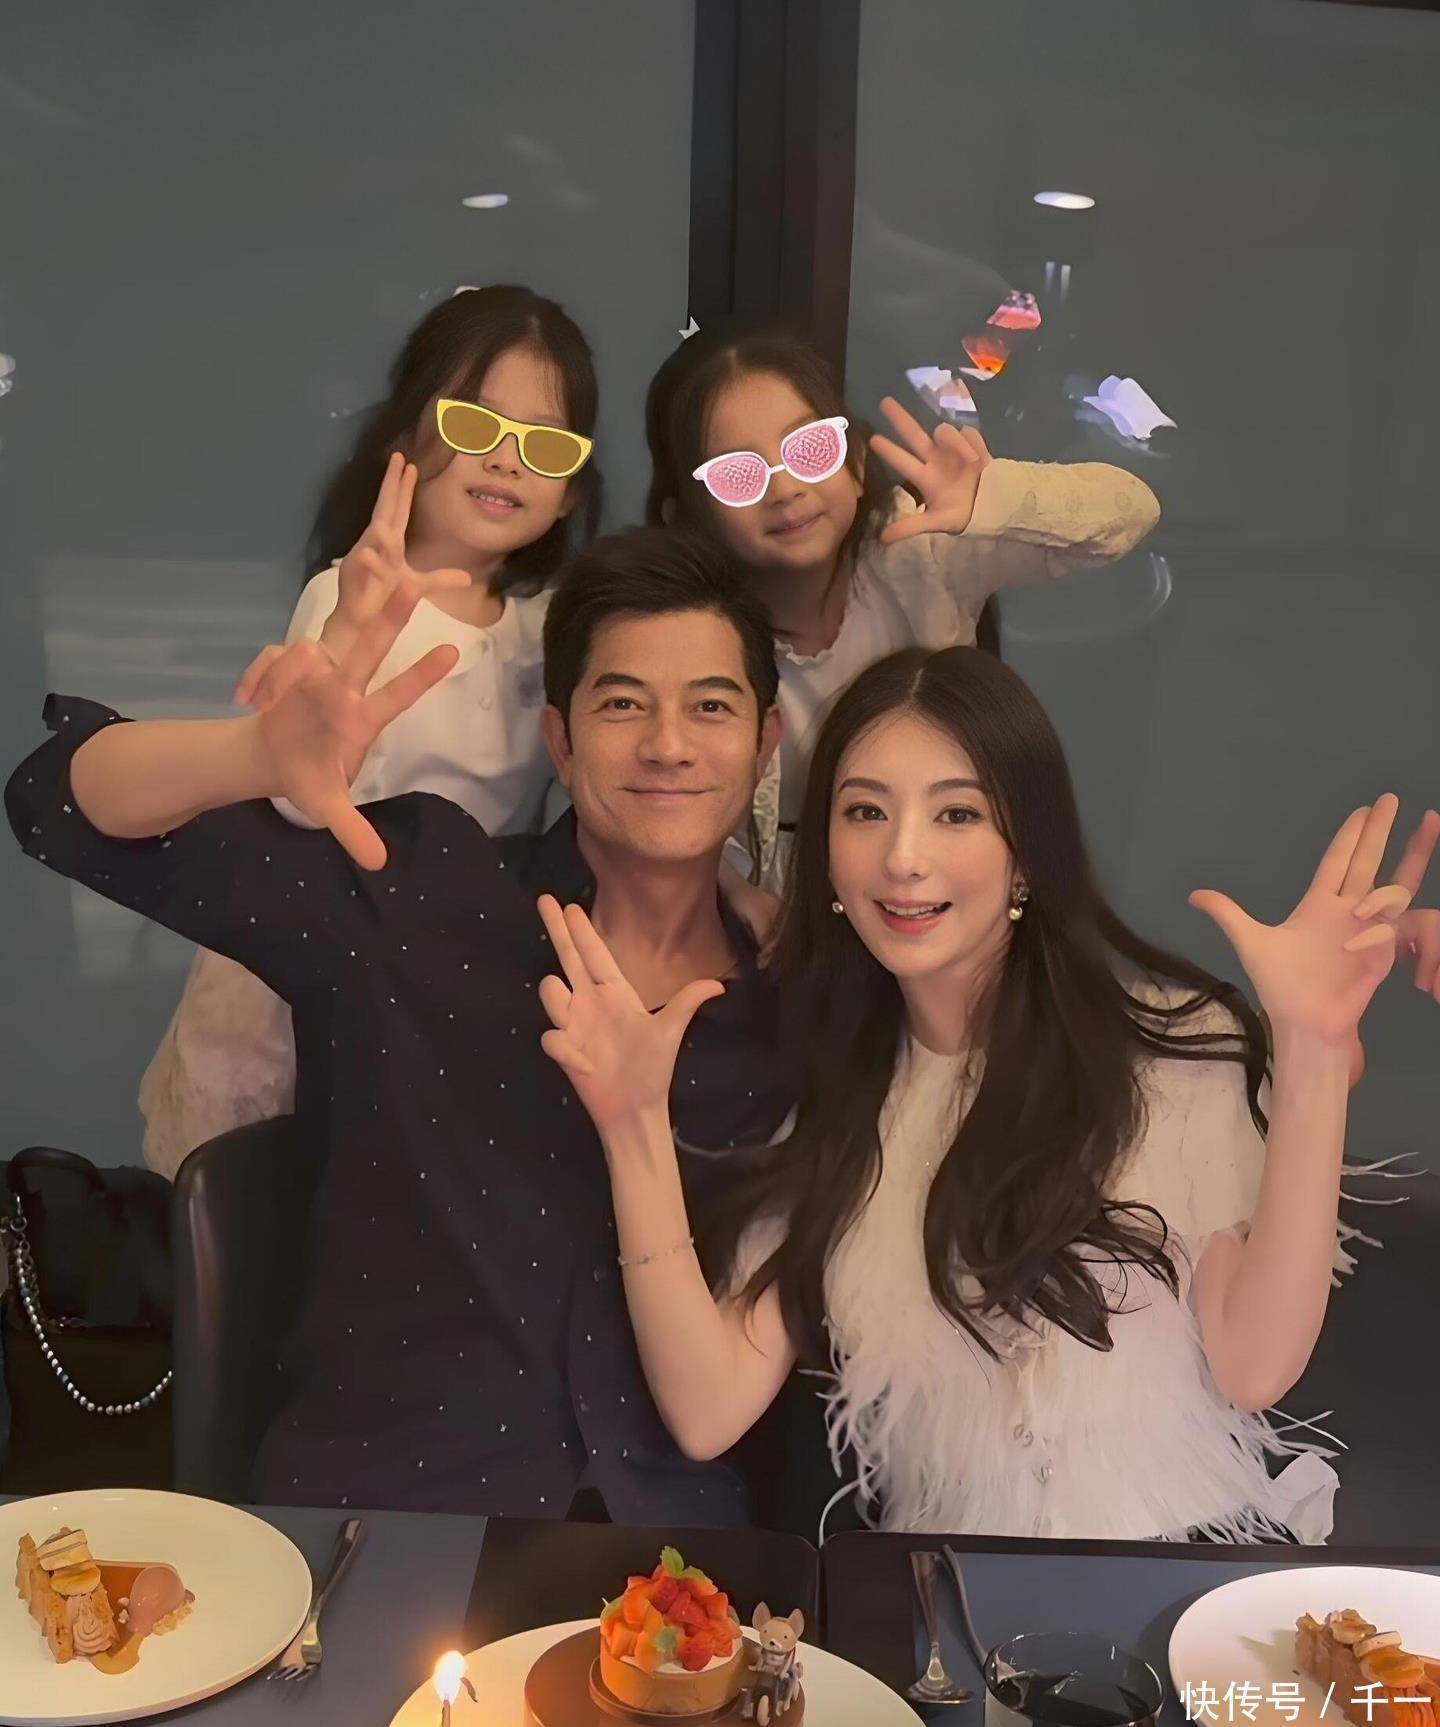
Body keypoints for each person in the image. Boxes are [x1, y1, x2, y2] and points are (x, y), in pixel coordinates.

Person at [535, 644, 1433, 1542]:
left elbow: (1253, 1364)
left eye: (956, 812)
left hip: (1178, 1578)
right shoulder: (831, 1110)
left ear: (1027, 854)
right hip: (950, 1601)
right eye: (865, 811)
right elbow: (707, 1409)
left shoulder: (1173, 1050)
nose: (903, 857)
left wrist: (1314, 1053)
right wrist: (632, 1122)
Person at [7, 529, 795, 1523]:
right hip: (394, 1514)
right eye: (622, 703)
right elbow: (56, 805)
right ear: (559, 739)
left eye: (711, 706)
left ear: (766, 741)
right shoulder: (422, 887)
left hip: (669, 1547)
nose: (668, 744)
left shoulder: (799, 1004)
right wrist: (250, 755)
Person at [139, 284, 602, 1178]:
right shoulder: (348, 597)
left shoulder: (548, 626)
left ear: (569, 490)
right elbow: (294, 799)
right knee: (256, 1198)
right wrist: (352, 627)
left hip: (441, 975)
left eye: (544, 443)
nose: (506, 459)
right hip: (302, 957)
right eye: (475, 423)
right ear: (406, 435)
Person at [645, 325, 1161, 894]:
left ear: (856, 464)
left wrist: (993, 498)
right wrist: (736, 897)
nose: (785, 489)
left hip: (935, 882)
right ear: (686, 517)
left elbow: (1131, 513)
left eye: (810, 449)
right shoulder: (681, 640)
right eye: (737, 474)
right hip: (774, 910)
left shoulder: (923, 555)